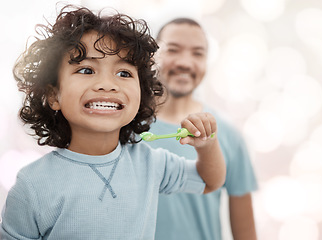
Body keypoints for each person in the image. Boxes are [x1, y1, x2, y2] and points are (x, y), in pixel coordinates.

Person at [0, 6, 226, 240]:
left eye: (124, 74)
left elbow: (209, 181)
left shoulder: (150, 163)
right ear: (54, 95)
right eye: (87, 70)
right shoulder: (32, 185)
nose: (107, 84)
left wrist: (207, 145)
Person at [149, 18, 258, 240]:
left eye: (197, 54)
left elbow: (245, 233)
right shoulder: (123, 129)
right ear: (153, 56)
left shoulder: (227, 135)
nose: (186, 63)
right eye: (173, 50)